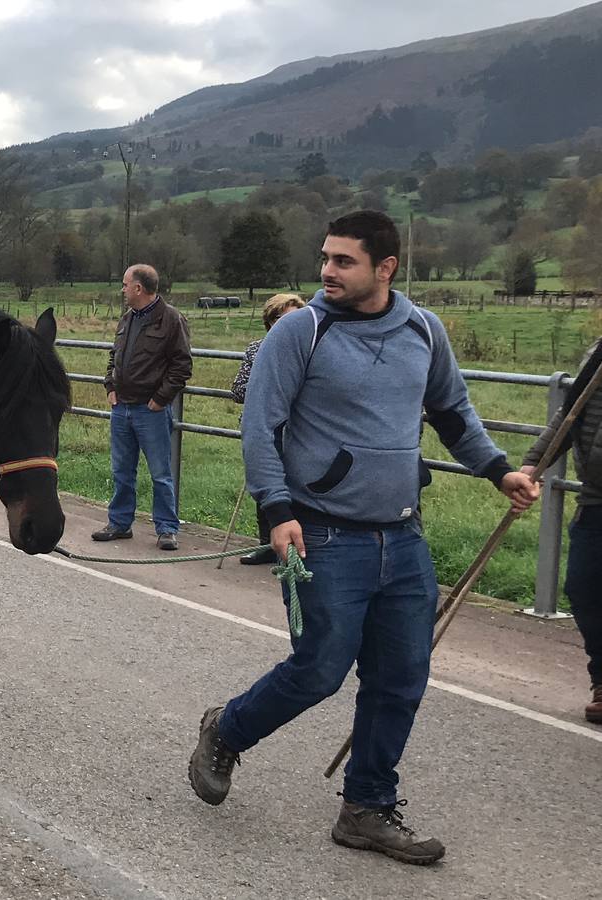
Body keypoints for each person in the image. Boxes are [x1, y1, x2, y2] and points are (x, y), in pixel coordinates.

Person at [188, 210, 540, 865]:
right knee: (319, 669)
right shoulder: (301, 332)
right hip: (322, 534)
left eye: (343, 261)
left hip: (402, 538)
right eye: (325, 257)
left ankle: (366, 809)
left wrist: (498, 471)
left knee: (401, 677)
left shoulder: (422, 331)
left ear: (385, 268)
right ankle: (225, 729)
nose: (326, 271)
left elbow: (453, 416)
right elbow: (259, 427)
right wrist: (275, 510)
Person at [521, 338, 602, 723]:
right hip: (597, 496)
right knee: (584, 585)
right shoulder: (599, 351)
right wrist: (534, 463)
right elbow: (571, 414)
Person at [96, 263, 192, 551]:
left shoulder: (172, 319)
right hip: (121, 408)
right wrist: (110, 386)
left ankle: (166, 529)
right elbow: (115, 356)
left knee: (161, 472)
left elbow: (182, 365)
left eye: (125, 284)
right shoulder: (127, 319)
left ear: (139, 288)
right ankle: (120, 522)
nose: (122, 290)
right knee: (121, 470)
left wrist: (160, 399)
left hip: (150, 411)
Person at [231, 293, 307, 565]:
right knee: (267, 486)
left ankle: (300, 545)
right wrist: (266, 385)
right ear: (270, 322)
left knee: (297, 487)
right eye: (280, 318)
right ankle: (267, 544)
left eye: (295, 317)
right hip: (265, 432)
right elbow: (238, 390)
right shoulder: (256, 349)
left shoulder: (310, 351)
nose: (287, 323)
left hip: (299, 435)